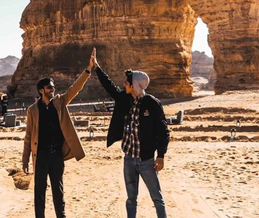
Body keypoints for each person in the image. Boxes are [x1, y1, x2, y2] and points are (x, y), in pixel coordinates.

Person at [22, 48, 96, 218]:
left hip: (56, 156)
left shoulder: (60, 102)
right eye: (49, 87)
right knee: (39, 192)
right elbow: (28, 137)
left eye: (53, 87)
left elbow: (75, 88)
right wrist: (25, 160)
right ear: (41, 90)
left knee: (58, 191)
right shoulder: (32, 110)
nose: (52, 89)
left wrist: (88, 69)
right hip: (39, 157)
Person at [93, 59, 170, 218]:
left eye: (126, 82)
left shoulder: (152, 104)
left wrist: (161, 156)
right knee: (131, 199)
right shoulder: (125, 99)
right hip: (128, 159)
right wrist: (97, 67)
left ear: (134, 85)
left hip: (146, 161)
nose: (123, 84)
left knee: (157, 198)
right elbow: (110, 87)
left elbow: (163, 132)